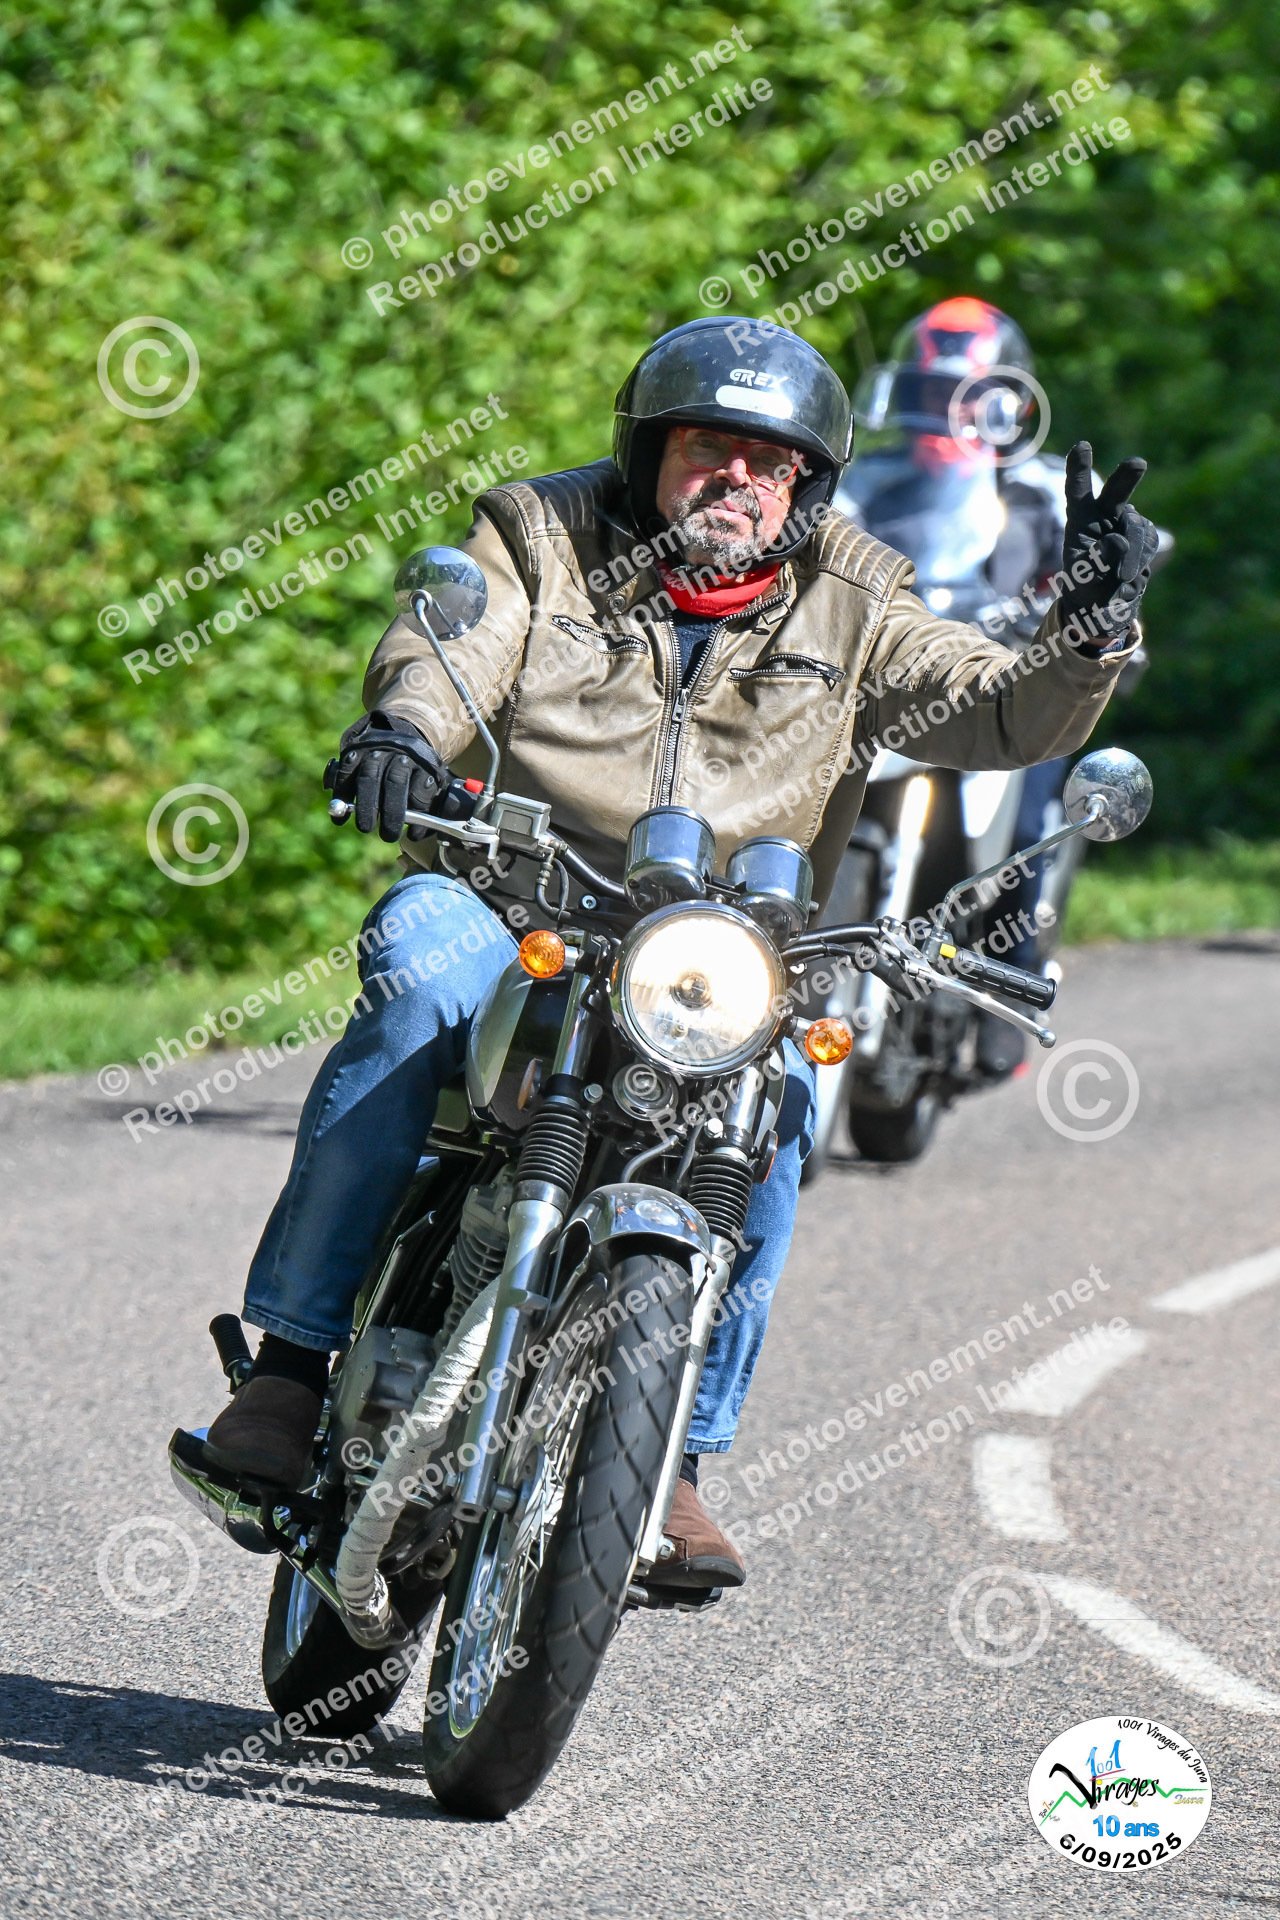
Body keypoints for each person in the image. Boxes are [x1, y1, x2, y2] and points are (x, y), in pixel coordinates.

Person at [203, 315, 1158, 1587]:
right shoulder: (541, 535)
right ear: (649, 450)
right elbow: (452, 642)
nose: (737, 480)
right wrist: (406, 733)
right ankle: (288, 1369)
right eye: (709, 448)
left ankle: (673, 1461)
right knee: (419, 986)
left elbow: (993, 714)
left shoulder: (857, 595)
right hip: (514, 895)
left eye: (771, 463)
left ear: (807, 485)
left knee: (782, 1105)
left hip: (723, 943)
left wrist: (1085, 636)